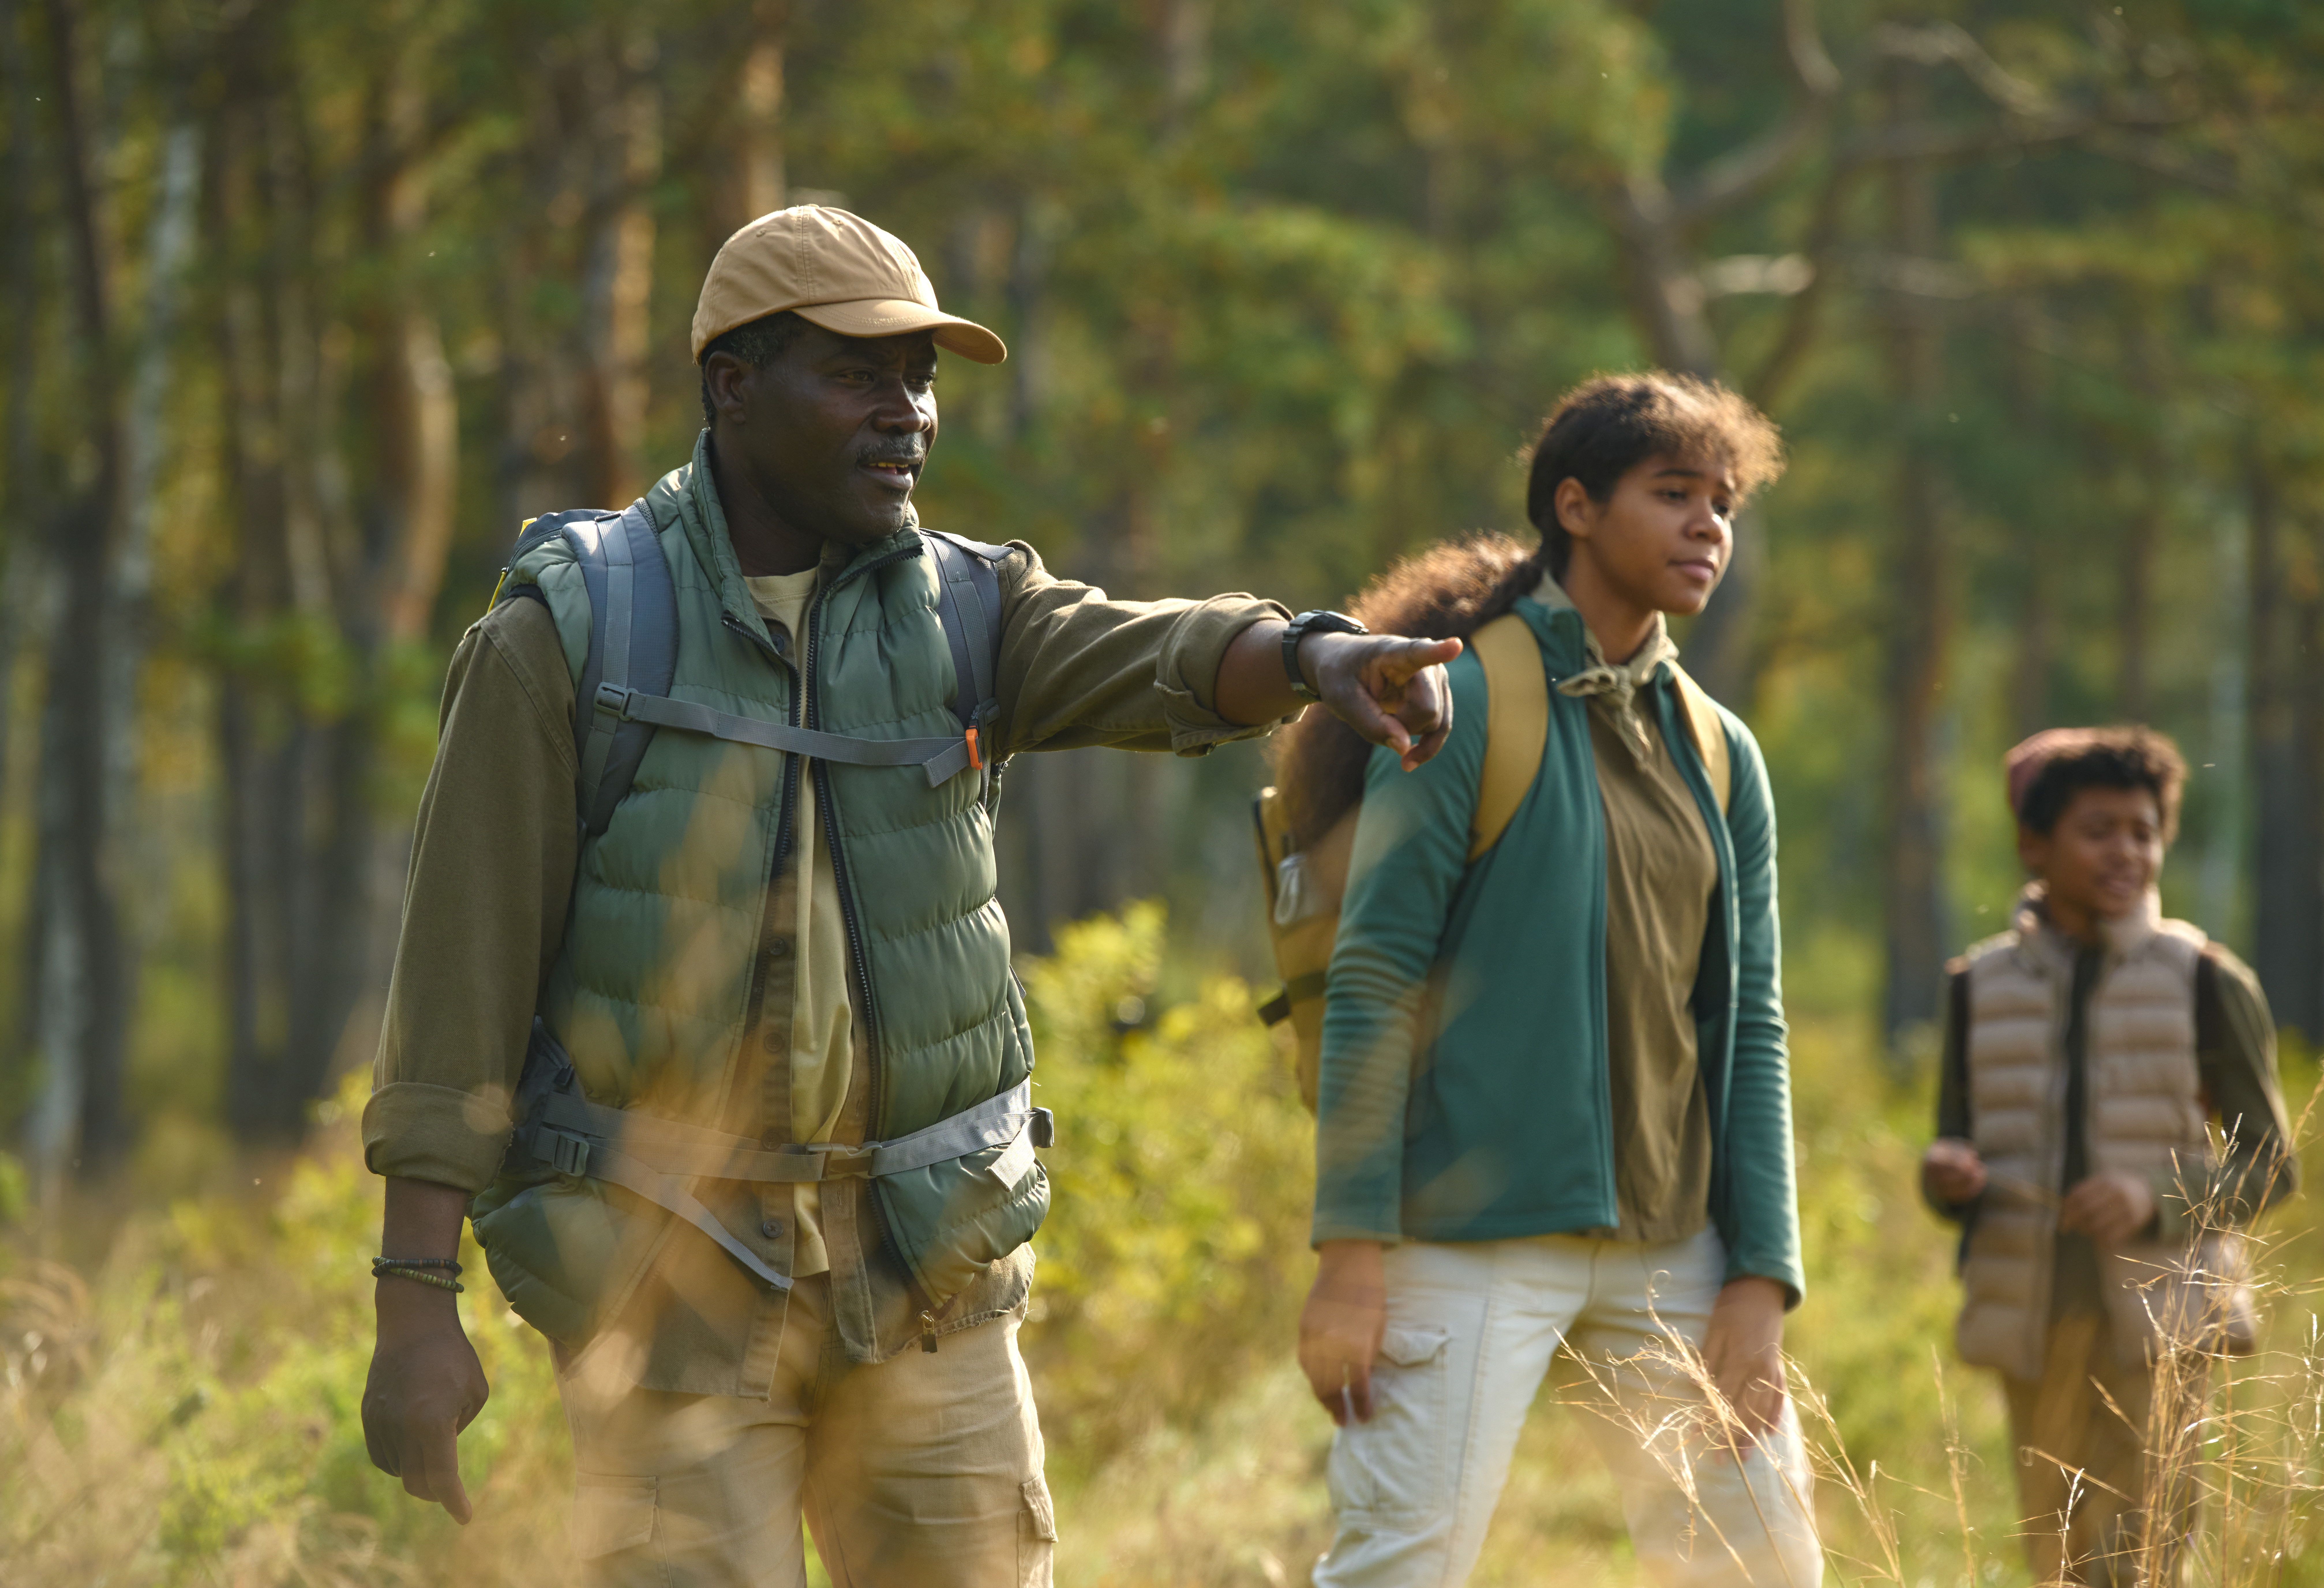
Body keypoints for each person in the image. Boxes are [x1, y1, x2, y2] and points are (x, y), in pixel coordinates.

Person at [355, 203, 1461, 1586]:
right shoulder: (571, 634)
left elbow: (1151, 653)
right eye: (861, 375)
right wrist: (415, 1302)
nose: (909, 416)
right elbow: (453, 991)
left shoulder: (963, 610)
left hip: (929, 1287)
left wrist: (1311, 656)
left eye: (923, 380)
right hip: (671, 1300)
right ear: (732, 384)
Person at [1289, 373, 1823, 1587]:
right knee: (1400, 1569)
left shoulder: (1719, 748)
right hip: (1462, 1236)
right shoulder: (1462, 699)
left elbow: (1752, 1023)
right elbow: (1375, 980)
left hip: (1674, 1238)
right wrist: (1351, 1251)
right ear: (1574, 508)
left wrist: (1759, 1275)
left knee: (1761, 1568)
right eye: (1673, 493)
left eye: (1724, 502)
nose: (1709, 527)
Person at [1921, 727, 2296, 1587]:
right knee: (2054, 1559)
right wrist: (1947, 1178)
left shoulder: (2207, 981)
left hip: (2161, 1333)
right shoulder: (1977, 987)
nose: (2127, 850)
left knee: (2141, 1562)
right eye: (2099, 830)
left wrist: (2154, 1196)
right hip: (2034, 1322)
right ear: (2034, 844)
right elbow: (1955, 1146)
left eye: (2143, 830)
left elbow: (2273, 1162)